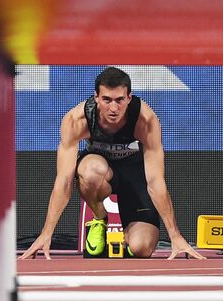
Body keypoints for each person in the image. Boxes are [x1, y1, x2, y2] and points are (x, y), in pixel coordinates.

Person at [19, 67, 205, 260]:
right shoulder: (77, 120)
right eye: (107, 100)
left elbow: (155, 181)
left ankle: (127, 239)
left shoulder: (146, 120)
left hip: (135, 176)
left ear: (129, 98)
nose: (113, 108)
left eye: (119, 100)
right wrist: (46, 233)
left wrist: (175, 235)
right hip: (100, 170)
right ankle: (100, 218)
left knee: (142, 248)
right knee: (91, 171)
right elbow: (64, 180)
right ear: (96, 97)